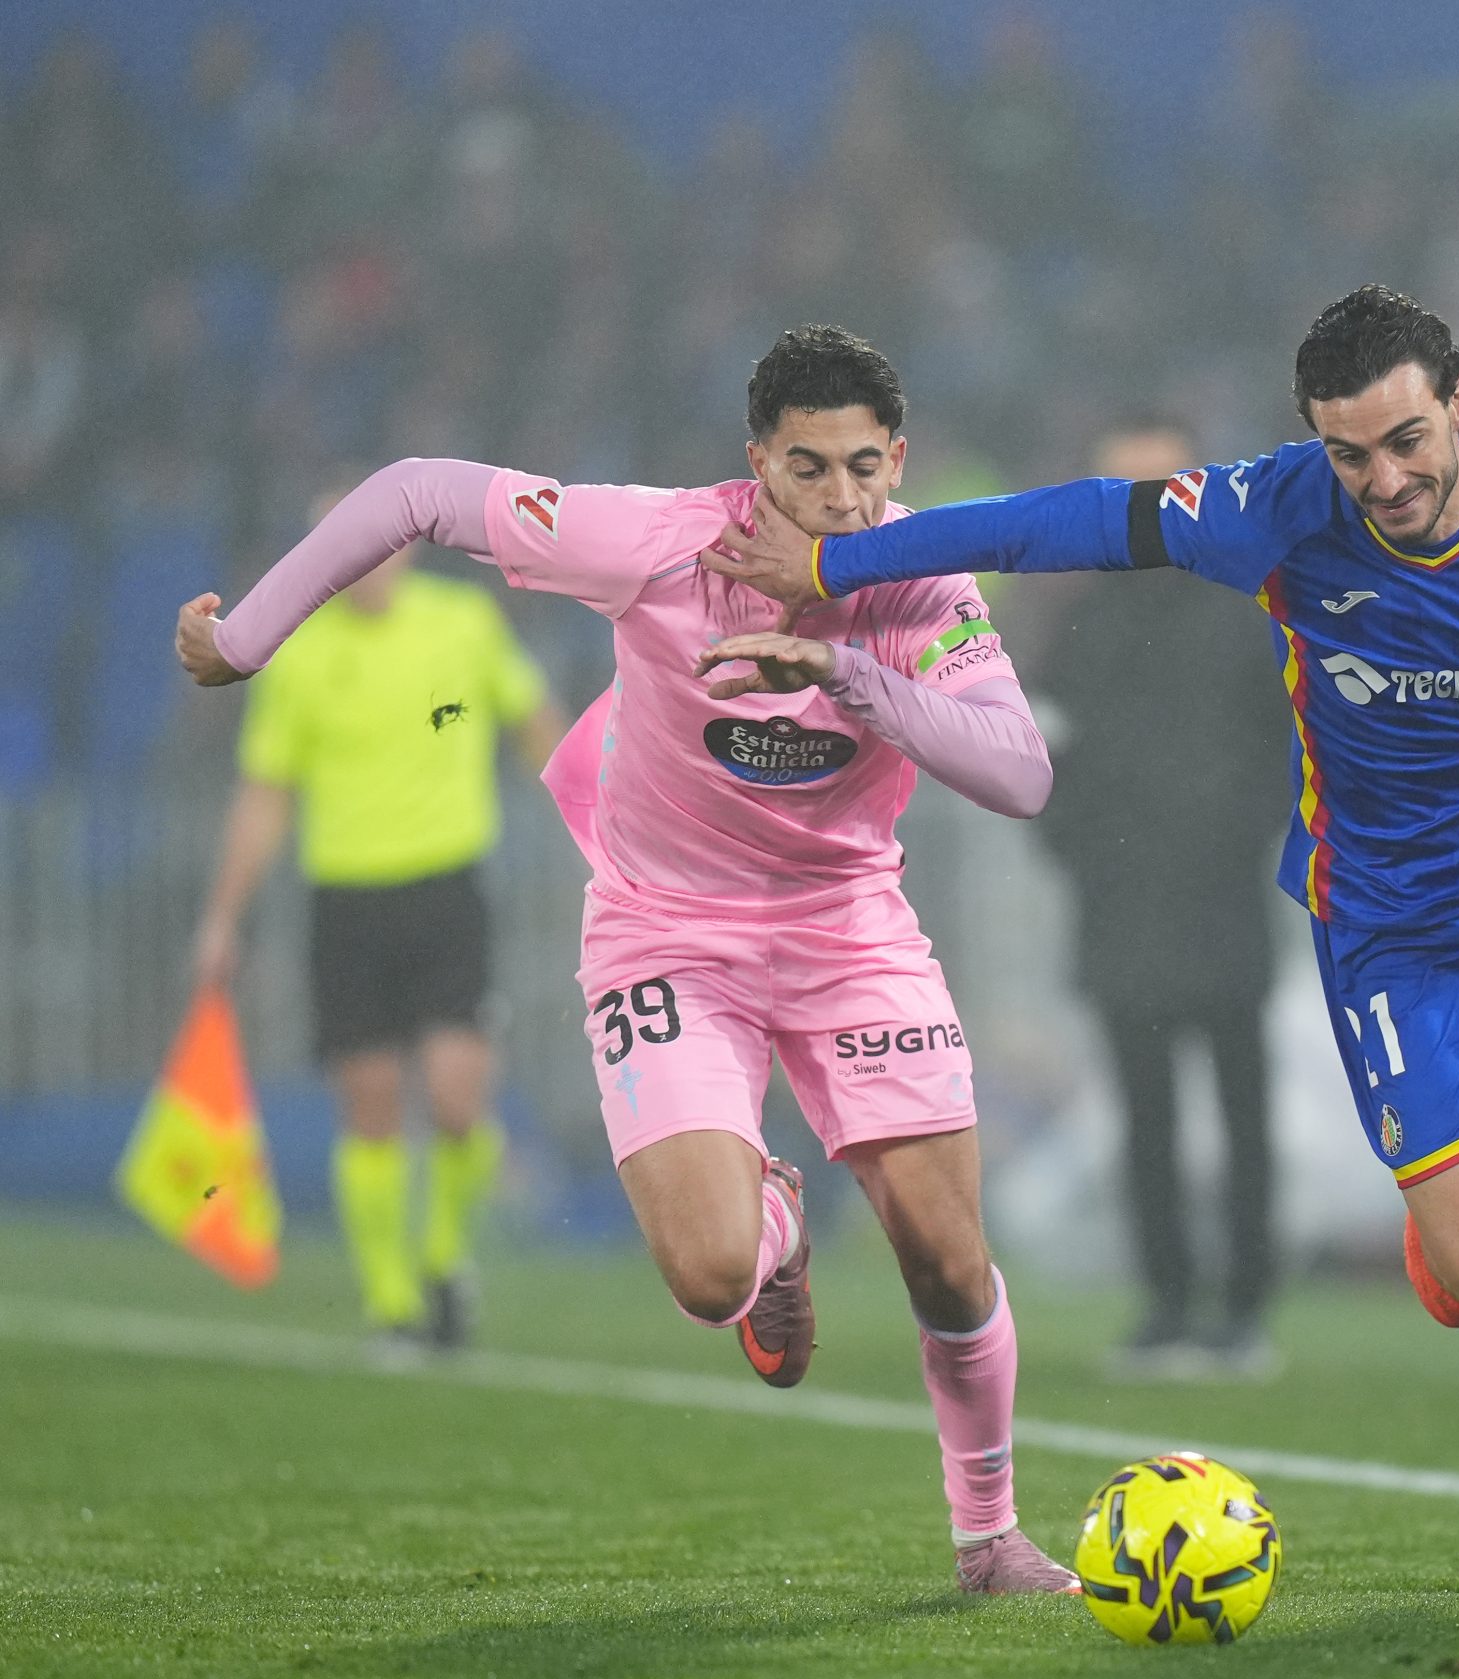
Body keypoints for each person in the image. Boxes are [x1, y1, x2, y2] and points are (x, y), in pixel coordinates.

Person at [706, 286, 1459, 1605]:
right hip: (1397, 920)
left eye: (1408, 440)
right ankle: (1452, 1220)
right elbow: (1062, 523)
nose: (1385, 477)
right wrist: (841, 561)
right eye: (1351, 452)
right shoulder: (1278, 509)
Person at [175, 326, 1080, 1592]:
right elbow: (420, 491)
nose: (840, 501)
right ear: (754, 462)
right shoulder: (654, 539)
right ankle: (770, 1229)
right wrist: (253, 635)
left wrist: (848, 672)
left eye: (864, 469)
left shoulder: (921, 577)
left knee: (945, 1257)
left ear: (899, 460)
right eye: (807, 470)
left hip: (849, 930)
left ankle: (988, 1542)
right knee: (711, 1277)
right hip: (668, 927)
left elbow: (1020, 773)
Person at [191, 487, 566, 1350]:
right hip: (346, 898)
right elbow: (265, 794)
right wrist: (222, 917)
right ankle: (391, 1300)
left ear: (404, 543)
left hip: (445, 887)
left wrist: (597, 818)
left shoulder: (463, 622)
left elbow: (534, 722)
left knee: (458, 1096)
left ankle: (443, 1260)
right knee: (370, 1102)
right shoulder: (299, 653)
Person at [1035, 420, 1288, 1381]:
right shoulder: (1081, 627)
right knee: (1144, 1115)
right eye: (1120, 491)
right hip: (1122, 906)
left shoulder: (1245, 609)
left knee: (1241, 1107)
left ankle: (1247, 1304)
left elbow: (1290, 746)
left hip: (1222, 900)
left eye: (1157, 488)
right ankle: (1168, 1300)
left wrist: (1246, 838)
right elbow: (1038, 752)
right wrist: (1080, 851)